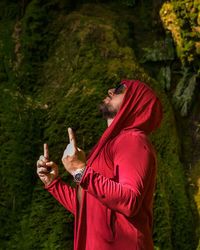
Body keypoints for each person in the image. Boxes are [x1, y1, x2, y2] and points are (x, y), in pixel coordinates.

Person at [37, 79, 163, 250]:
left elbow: (130, 201)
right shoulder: (108, 146)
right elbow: (92, 210)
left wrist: (79, 170)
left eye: (120, 89)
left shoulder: (132, 140)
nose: (111, 90)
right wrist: (53, 183)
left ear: (135, 102)